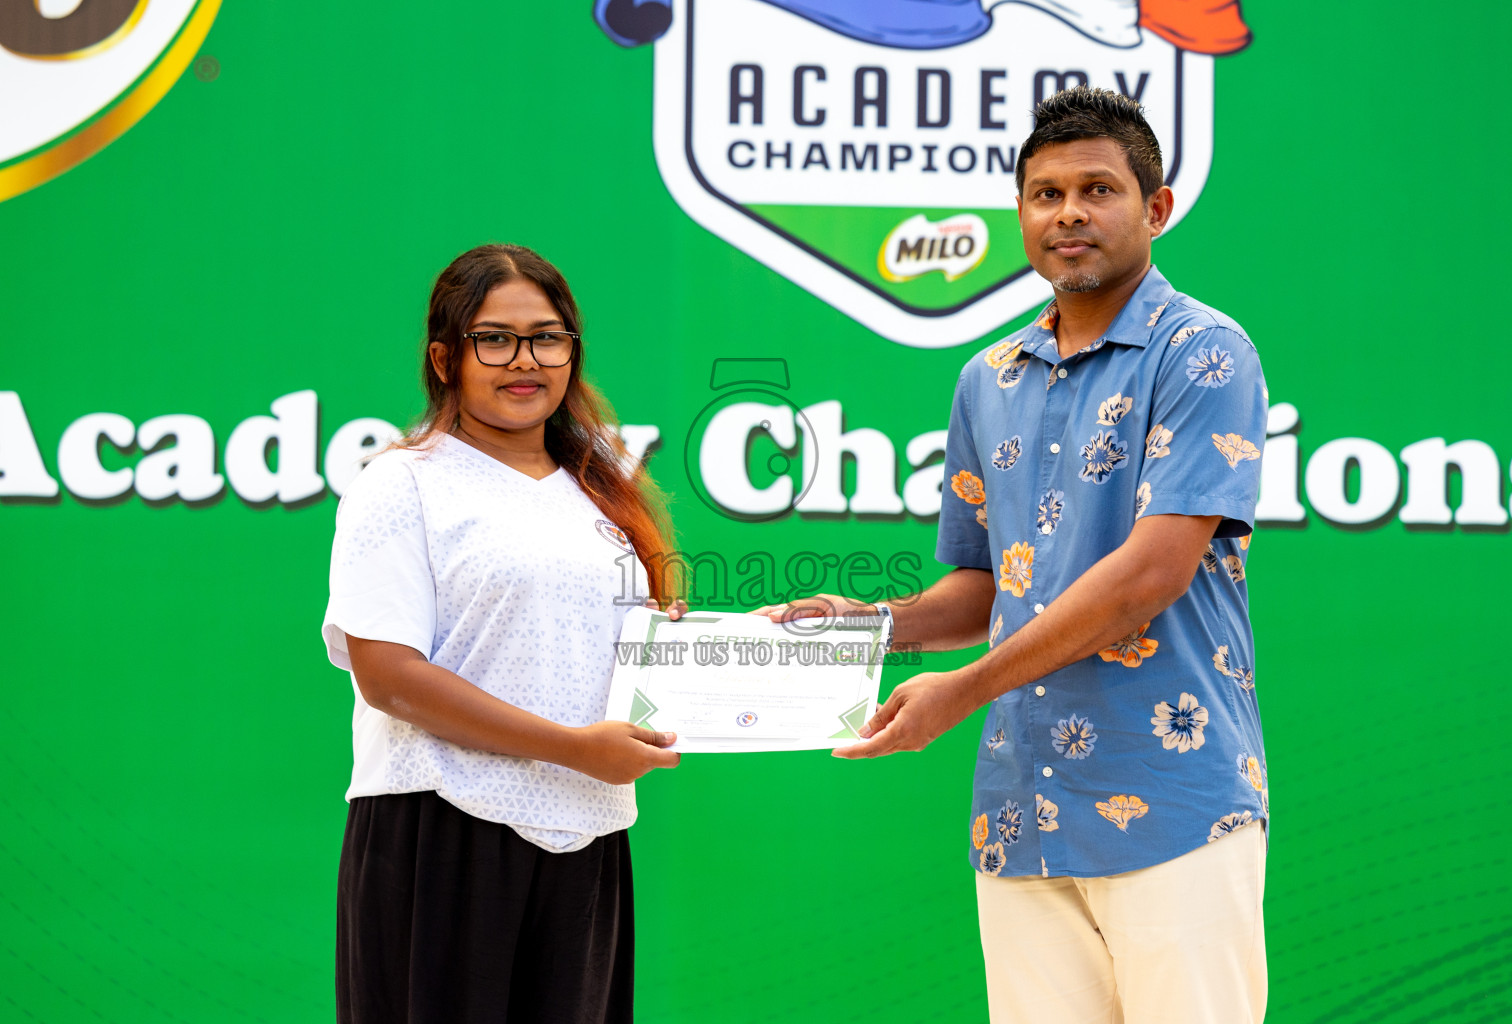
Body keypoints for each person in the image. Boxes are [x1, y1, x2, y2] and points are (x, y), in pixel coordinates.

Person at [762, 86, 1270, 1024]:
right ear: (1021, 214)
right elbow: (983, 591)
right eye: (1044, 193)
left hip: (1174, 798)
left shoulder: (1204, 353)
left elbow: (1146, 581)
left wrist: (963, 690)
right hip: (1022, 810)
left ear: (1154, 208)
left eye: (1097, 190)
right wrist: (867, 627)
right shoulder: (986, 376)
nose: (1068, 212)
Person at [321, 243, 682, 1024]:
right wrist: (572, 745)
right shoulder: (402, 483)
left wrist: (758, 646)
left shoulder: (602, 494)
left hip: (585, 833)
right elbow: (387, 675)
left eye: (548, 337)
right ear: (446, 357)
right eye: (496, 338)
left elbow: (640, 654)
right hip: (441, 832)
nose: (526, 361)